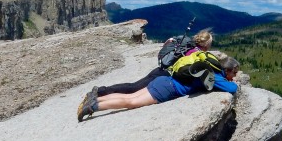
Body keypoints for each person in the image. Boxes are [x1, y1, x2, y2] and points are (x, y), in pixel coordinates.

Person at [77, 56, 240, 121]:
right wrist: (234, 83)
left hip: (163, 80)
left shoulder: (208, 68)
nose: (234, 77)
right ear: (227, 70)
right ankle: (92, 107)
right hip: (167, 89)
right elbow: (232, 89)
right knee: (131, 101)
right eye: (234, 73)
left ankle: (96, 99)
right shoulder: (216, 76)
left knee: (132, 95)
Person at [92, 29, 214, 98]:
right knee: (133, 89)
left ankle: (101, 91)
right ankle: (100, 92)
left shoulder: (186, 44)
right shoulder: (196, 53)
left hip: (160, 69)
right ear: (207, 44)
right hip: (165, 75)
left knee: (132, 86)